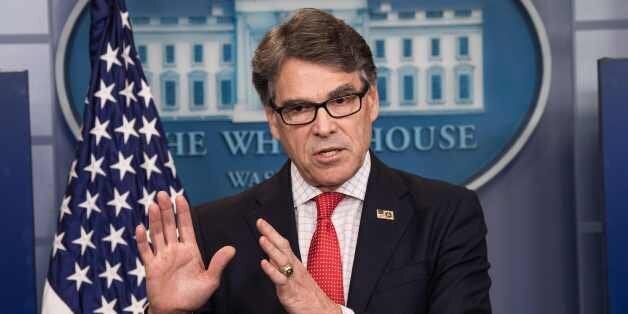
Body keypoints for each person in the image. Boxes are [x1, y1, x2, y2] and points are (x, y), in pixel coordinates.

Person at [135, 8, 491, 314]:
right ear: (274, 121)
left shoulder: (444, 215)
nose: (324, 127)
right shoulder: (214, 231)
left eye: (341, 100)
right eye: (300, 108)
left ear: (372, 102)